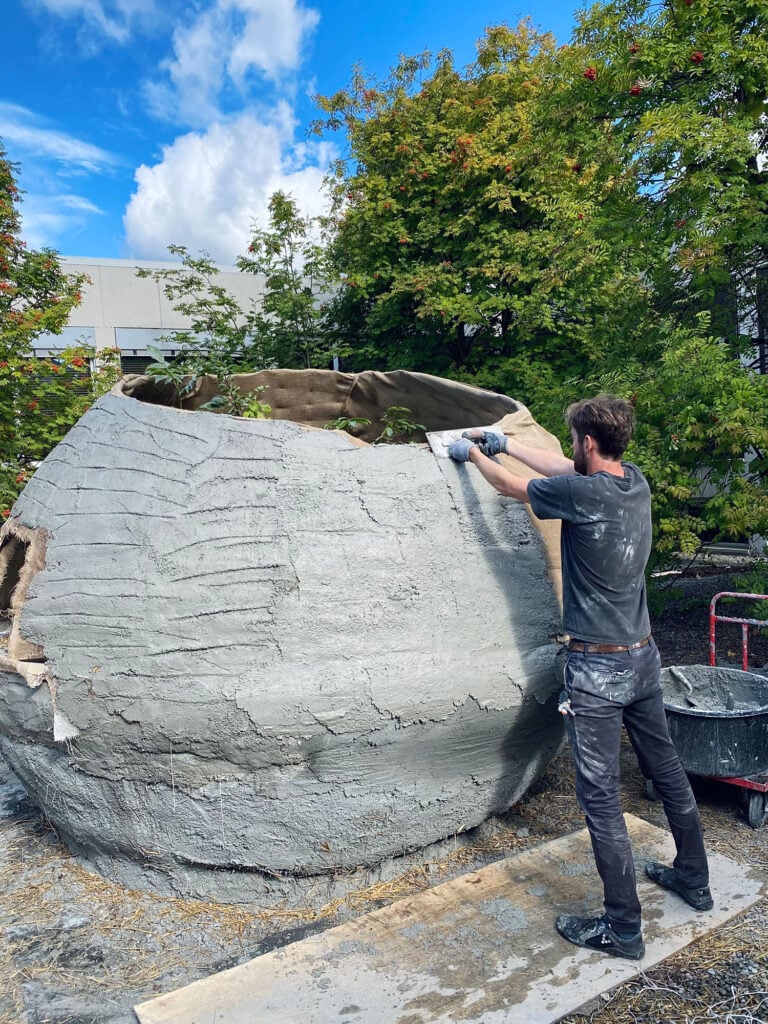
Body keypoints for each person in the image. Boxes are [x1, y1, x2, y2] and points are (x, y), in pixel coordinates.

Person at [448, 396, 712, 961]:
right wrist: (509, 444)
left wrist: (474, 454)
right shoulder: (630, 482)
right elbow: (565, 471)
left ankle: (622, 929)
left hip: (597, 670)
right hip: (642, 660)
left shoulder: (580, 494)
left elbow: (510, 490)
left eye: (574, 439)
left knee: (599, 798)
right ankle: (694, 877)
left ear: (587, 441)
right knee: (665, 770)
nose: (571, 449)